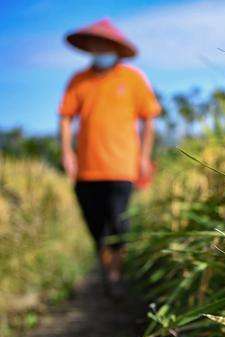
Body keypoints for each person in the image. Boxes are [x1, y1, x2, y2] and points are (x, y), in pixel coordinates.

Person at [59, 19, 161, 296]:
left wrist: (144, 156)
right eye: (96, 44)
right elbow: (66, 118)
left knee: (119, 223)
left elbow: (149, 119)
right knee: (96, 227)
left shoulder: (133, 79)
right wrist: (67, 153)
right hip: (87, 169)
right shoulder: (78, 81)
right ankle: (107, 270)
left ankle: (115, 275)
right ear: (90, 47)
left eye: (105, 45)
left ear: (115, 48)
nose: (100, 49)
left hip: (122, 167)